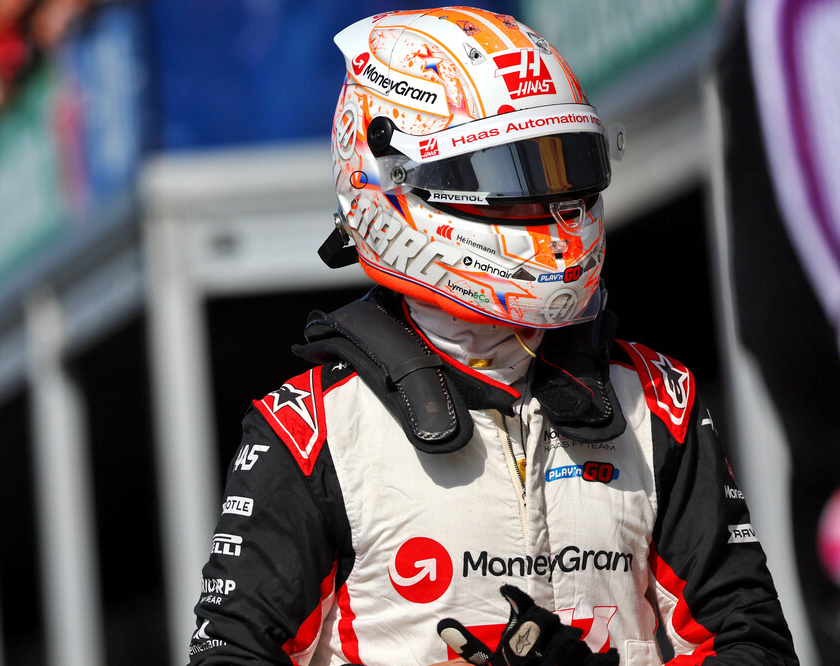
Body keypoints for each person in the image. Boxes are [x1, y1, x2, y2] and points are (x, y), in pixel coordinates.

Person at [186, 7, 800, 666]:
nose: (550, 208)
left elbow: (753, 641)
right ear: (392, 183)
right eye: (508, 175)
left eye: (561, 167)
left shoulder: (657, 399)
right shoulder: (310, 430)